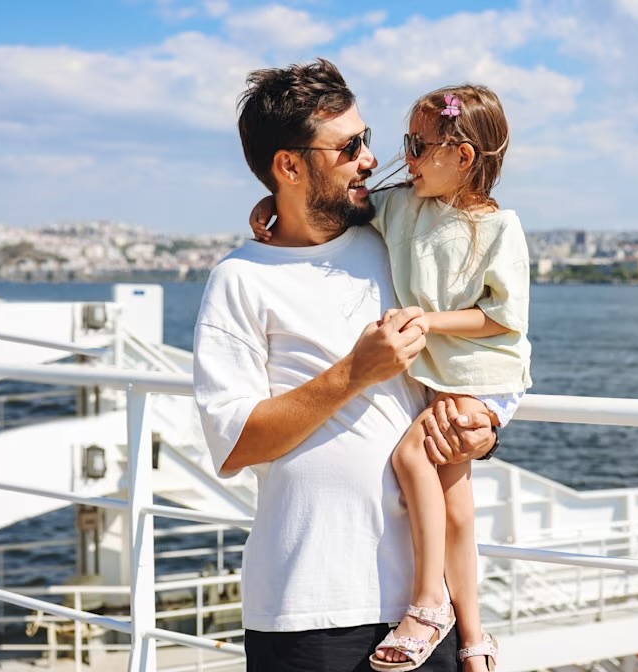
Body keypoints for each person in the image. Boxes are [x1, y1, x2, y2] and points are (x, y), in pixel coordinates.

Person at [193, 58, 497, 672]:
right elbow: (234, 446)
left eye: (367, 139)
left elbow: (491, 330)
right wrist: (354, 372)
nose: (369, 158)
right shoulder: (238, 281)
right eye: (349, 146)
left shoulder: (402, 239)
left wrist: (488, 424)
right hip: (306, 607)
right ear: (289, 165)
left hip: (424, 607)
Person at [251, 84, 531, 672]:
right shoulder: (403, 207)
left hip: (480, 378)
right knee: (455, 506)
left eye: (417, 144)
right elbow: (334, 207)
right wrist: (275, 202)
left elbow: (503, 318)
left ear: (463, 158)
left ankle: (431, 604)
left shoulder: (500, 228)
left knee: (413, 460)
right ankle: (474, 635)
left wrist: (427, 323)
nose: (400, 157)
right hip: (442, 376)